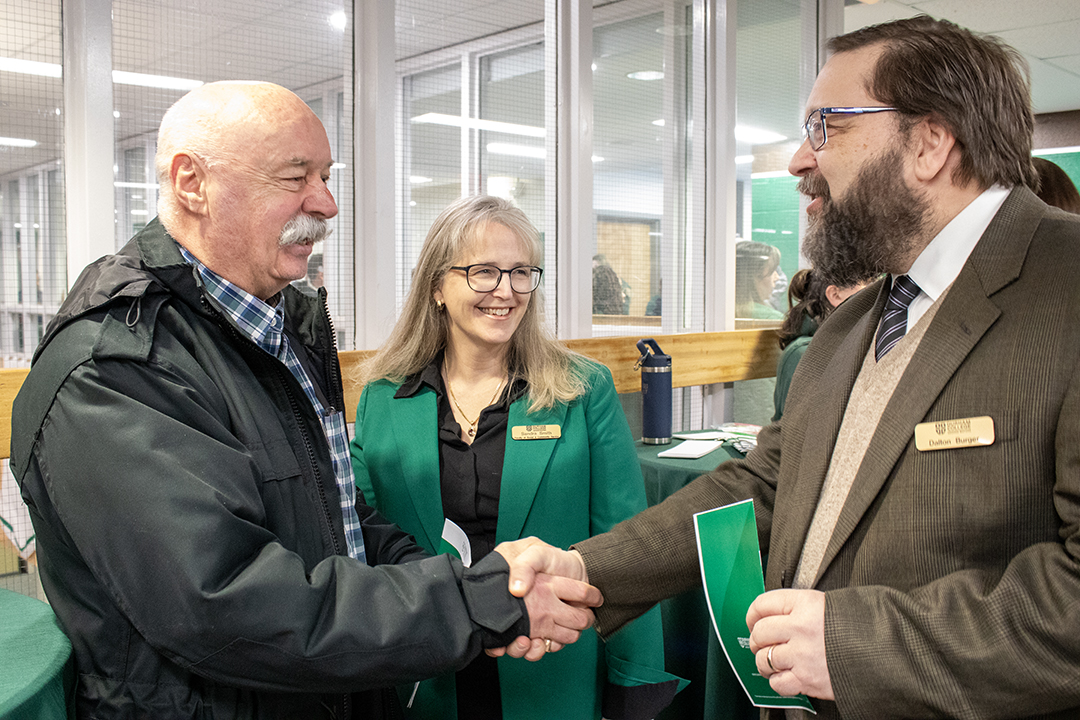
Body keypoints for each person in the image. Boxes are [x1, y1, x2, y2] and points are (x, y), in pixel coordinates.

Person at [499, 16, 1080, 720]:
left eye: (826, 126)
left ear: (929, 143)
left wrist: (854, 642)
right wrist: (586, 570)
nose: (801, 161)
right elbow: (763, 484)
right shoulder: (856, 324)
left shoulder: (1064, 287)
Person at [10, 81, 598, 719]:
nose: (327, 203)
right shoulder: (115, 367)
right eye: (295, 177)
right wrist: (475, 602)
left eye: (325, 175)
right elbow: (225, 602)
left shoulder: (276, 327)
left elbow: (331, 514)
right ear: (191, 183)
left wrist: (465, 582)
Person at [350, 194, 682, 720]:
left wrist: (635, 686)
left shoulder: (581, 390)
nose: (505, 291)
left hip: (550, 674)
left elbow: (627, 544)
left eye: (521, 272)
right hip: (427, 676)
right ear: (437, 286)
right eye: (483, 272)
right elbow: (360, 543)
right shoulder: (383, 397)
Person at [772, 269, 871, 421]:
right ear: (835, 294)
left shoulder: (845, 344)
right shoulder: (804, 353)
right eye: (867, 285)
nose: (874, 294)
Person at [735, 240, 783, 320]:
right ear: (755, 276)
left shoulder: (723, 310)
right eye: (772, 271)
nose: (777, 277)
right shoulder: (773, 318)